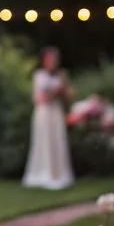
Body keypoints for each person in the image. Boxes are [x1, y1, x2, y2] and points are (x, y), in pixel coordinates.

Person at [22, 46, 75, 190]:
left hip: (56, 113)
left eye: (55, 59)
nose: (53, 62)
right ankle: (43, 174)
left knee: (58, 142)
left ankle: (60, 174)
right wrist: (55, 92)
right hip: (44, 114)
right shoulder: (39, 76)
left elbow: (70, 96)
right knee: (44, 142)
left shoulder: (61, 76)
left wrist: (64, 88)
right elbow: (40, 98)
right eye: (50, 59)